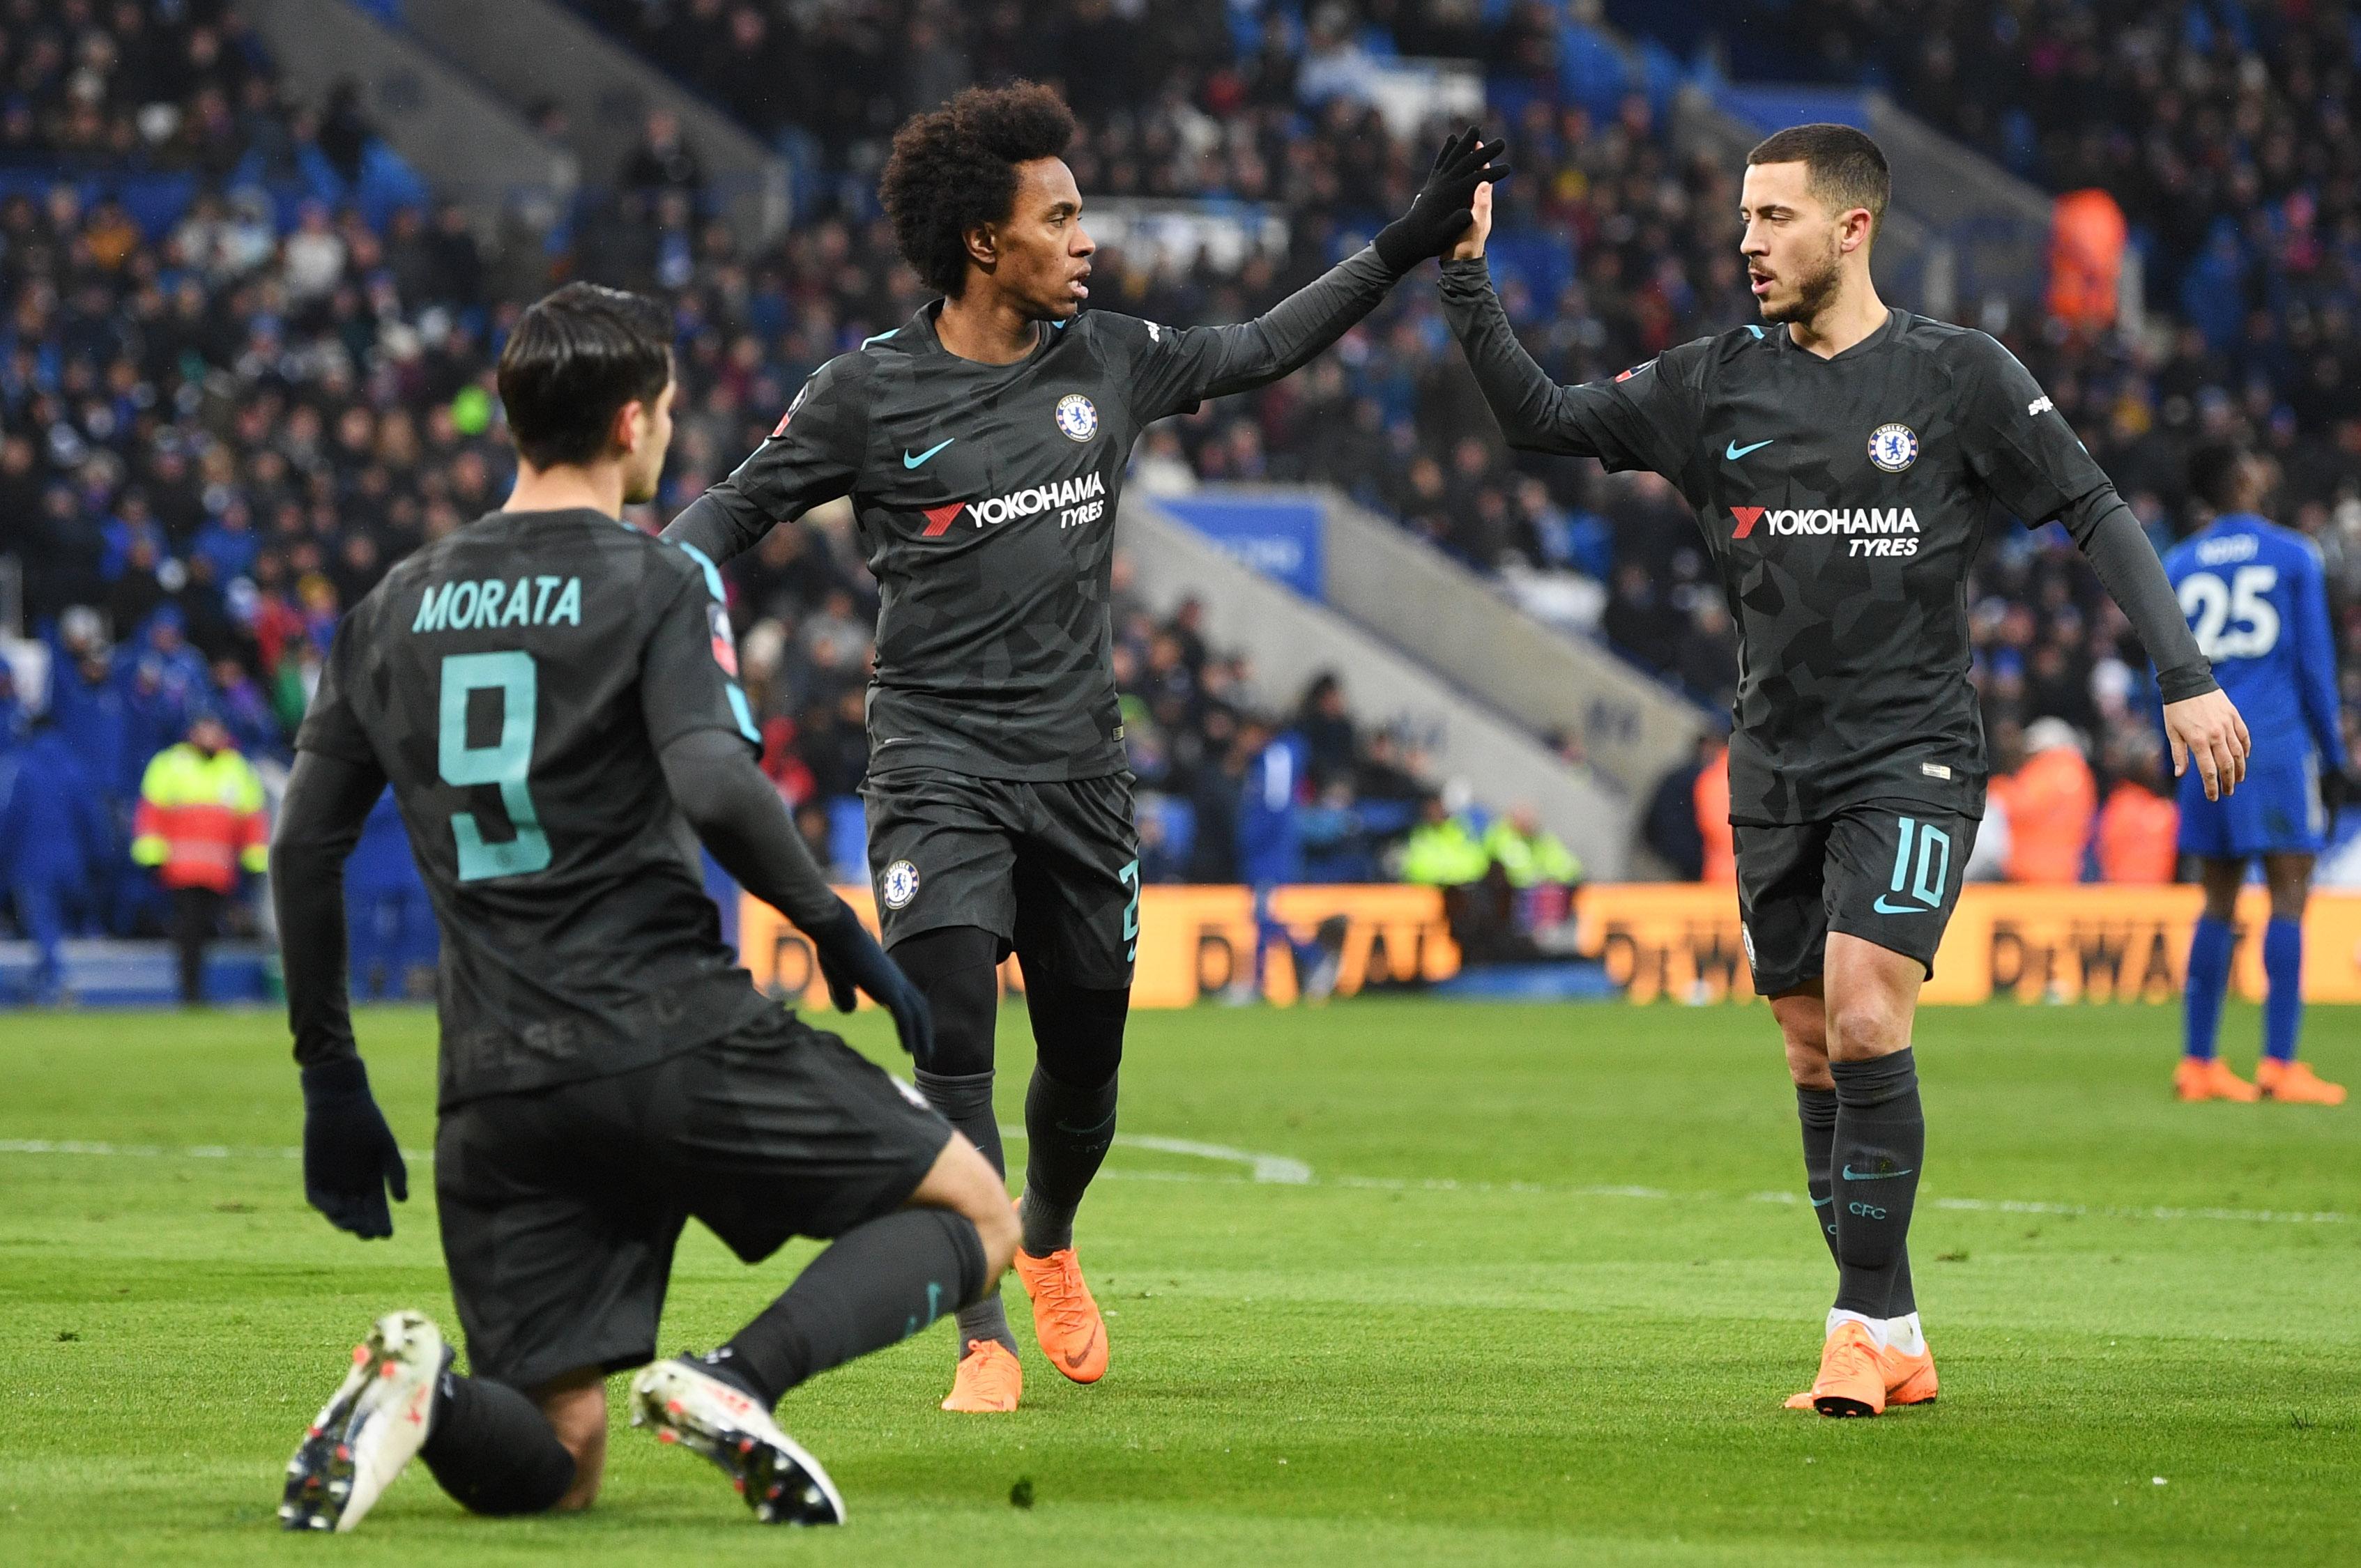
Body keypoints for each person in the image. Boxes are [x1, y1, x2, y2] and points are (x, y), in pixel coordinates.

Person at [661, 82, 1504, 1412]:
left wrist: (1406, 240)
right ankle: (980, 1327)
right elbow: (729, 511)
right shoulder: (866, 392)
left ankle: (1045, 1235)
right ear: (982, 243)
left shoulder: (1106, 356)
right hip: (933, 766)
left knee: (1085, 1070)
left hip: (1079, 778)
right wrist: (619, 591)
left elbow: (1261, 347)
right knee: (951, 1037)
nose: (1084, 238)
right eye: (1057, 218)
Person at [1438, 123, 2248, 1418]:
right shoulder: (1713, 382)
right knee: (1815, 1051)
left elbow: (2090, 506)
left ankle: (1855, 1330)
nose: (1746, 243)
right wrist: (1464, 277)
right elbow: (1539, 419)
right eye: (1743, 219)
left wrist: (2182, 672)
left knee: (1869, 1012)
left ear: (1851, 227)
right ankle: (1897, 1325)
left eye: (1772, 218)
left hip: (1909, 754)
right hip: (1773, 766)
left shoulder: (1957, 375)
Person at [270, 284, 1020, 1535]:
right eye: (667, 409)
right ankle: (738, 1379)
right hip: (669, 1031)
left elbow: (304, 845)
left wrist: (330, 1075)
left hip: (495, 1079)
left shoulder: (393, 604)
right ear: (634, 422)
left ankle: (426, 1398)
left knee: (560, 1455)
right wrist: (832, 925)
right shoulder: (657, 577)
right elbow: (715, 784)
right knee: (975, 1210)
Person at [2163, 443, 2351, 1105]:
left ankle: (2198, 1063)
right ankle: (2278, 1063)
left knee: (2215, 902)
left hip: (2205, 744)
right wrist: (2334, 758)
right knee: (2288, 896)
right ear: (2243, 478)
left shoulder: (2178, 562)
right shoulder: (2293, 554)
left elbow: (2162, 666)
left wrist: (2170, 754)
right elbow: (2312, 664)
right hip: (2272, 744)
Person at [131, 713, 268, 1003]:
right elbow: (151, 815)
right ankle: (191, 990)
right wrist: (151, 856)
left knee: (205, 931)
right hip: (181, 869)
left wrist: (254, 861)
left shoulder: (237, 769)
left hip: (219, 871)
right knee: (190, 930)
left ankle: (194, 988)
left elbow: (252, 822)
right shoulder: (170, 765)